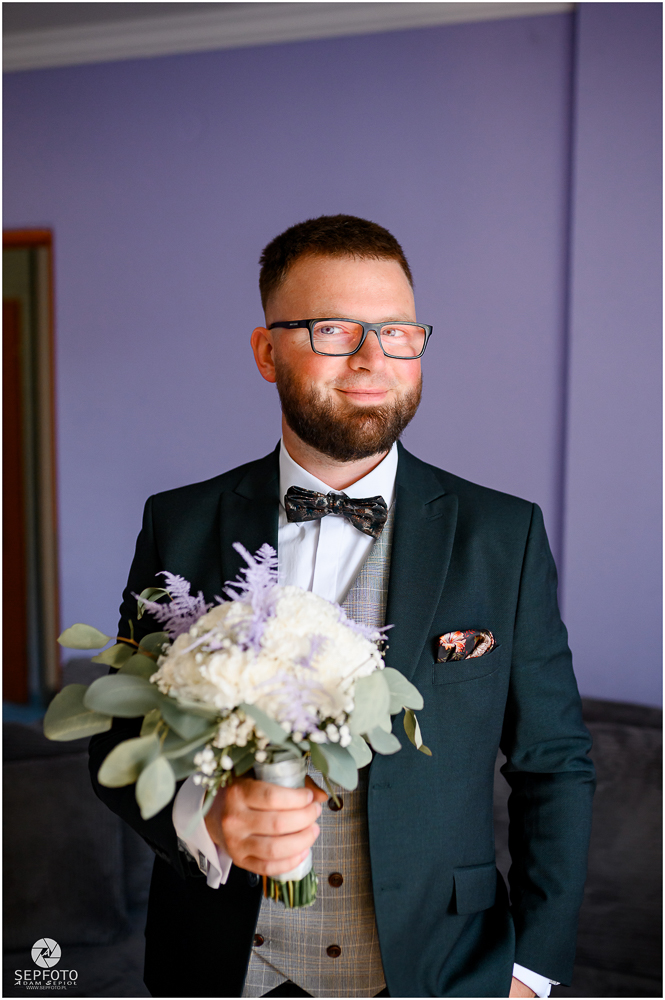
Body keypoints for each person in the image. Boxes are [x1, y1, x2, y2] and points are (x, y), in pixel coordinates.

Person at [89, 215, 595, 999]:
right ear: (267, 352)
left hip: (439, 969)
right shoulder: (179, 523)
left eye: (397, 332)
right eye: (333, 329)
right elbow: (118, 740)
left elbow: (553, 764)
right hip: (219, 965)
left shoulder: (505, 534)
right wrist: (205, 818)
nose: (371, 358)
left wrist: (530, 970)